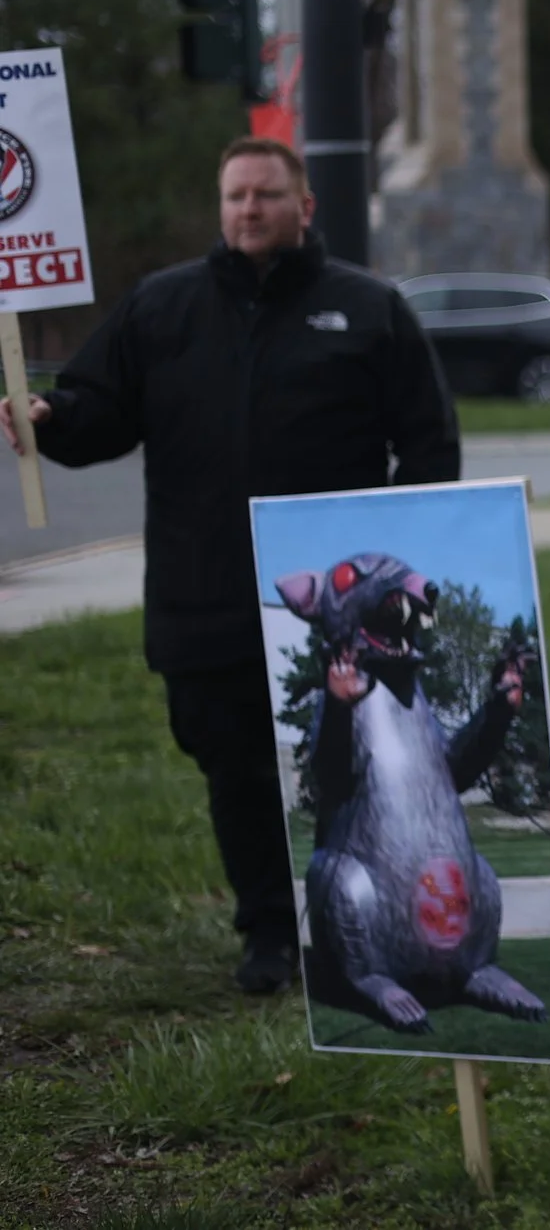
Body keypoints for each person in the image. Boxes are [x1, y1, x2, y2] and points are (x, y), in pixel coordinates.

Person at [2, 137, 460, 994]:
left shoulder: (367, 309)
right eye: (235, 195)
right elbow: (98, 410)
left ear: (305, 205)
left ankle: (354, 925)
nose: (248, 209)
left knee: (342, 773)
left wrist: (405, 561)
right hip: (202, 595)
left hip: (332, 615)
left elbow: (430, 442)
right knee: (234, 765)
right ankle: (269, 935)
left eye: (266, 194)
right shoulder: (163, 306)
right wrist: (49, 417)